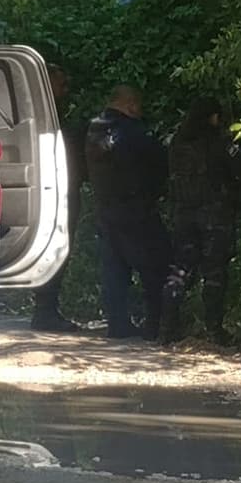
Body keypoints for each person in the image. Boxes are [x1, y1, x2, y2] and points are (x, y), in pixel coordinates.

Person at [84, 84, 171, 339]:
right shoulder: (133, 132)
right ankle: (154, 324)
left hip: (105, 208)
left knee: (114, 269)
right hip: (136, 210)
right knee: (153, 265)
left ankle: (118, 324)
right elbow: (159, 162)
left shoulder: (93, 130)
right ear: (130, 104)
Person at [160, 96, 241, 346]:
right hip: (214, 216)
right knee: (215, 272)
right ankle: (215, 331)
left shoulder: (176, 142)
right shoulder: (220, 142)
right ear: (213, 117)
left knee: (180, 269)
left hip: (183, 214)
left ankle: (167, 328)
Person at [31, 64, 83, 332]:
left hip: (55, 190)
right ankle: (45, 310)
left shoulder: (47, 115)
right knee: (55, 248)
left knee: (56, 249)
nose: (65, 91)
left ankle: (46, 308)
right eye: (61, 85)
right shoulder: (44, 117)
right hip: (53, 192)